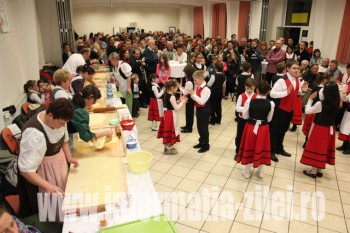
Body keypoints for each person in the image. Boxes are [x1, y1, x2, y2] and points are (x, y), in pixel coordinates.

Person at [18, 99, 78, 219]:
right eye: (62, 123)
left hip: (58, 163)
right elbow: (26, 170)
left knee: (64, 195)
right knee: (52, 204)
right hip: (43, 172)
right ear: (50, 115)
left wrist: (69, 157)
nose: (63, 125)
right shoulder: (34, 133)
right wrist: (48, 186)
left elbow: (64, 140)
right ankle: (56, 225)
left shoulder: (59, 120)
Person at [270, 60, 308, 162]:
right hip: (281, 109)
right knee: (276, 131)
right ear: (287, 68)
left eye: (297, 68)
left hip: (290, 109)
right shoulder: (281, 80)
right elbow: (272, 94)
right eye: (294, 68)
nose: (296, 70)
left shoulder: (297, 80)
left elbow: (296, 92)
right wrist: (285, 93)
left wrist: (302, 91)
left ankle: (279, 148)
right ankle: (270, 150)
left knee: (284, 130)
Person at [300, 82, 340, 178]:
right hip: (330, 128)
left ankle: (313, 171)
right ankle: (319, 169)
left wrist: (310, 99)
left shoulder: (320, 104)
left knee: (316, 147)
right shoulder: (337, 101)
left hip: (319, 128)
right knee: (324, 147)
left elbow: (308, 111)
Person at [237, 81, 275, 179]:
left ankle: (246, 171)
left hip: (251, 126)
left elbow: (245, 116)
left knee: (250, 146)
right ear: (268, 92)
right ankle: (260, 171)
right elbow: (269, 119)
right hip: (263, 128)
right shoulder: (271, 103)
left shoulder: (250, 101)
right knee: (261, 147)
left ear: (257, 89)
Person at [157, 80, 187, 155]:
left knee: (168, 130)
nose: (177, 88)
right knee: (171, 130)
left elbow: (172, 104)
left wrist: (180, 100)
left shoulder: (166, 94)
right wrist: (182, 102)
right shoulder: (172, 96)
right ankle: (168, 148)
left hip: (167, 114)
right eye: (176, 87)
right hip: (171, 115)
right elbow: (176, 108)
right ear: (172, 88)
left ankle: (168, 146)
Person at [302, 73, 330, 148]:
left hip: (312, 108)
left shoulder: (316, 86)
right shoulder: (321, 89)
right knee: (312, 128)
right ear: (324, 80)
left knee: (310, 128)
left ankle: (306, 142)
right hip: (316, 111)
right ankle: (308, 142)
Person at [187, 70, 211, 153]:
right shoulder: (198, 86)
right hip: (199, 109)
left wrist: (193, 94)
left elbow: (202, 101)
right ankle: (201, 141)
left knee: (204, 128)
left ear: (201, 79)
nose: (194, 81)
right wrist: (192, 94)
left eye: (195, 80)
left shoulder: (206, 89)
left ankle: (206, 145)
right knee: (199, 127)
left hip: (204, 110)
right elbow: (195, 98)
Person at [235, 78, 257, 160]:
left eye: (251, 88)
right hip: (242, 119)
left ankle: (248, 151)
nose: (249, 90)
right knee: (239, 136)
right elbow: (237, 108)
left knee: (250, 137)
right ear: (245, 87)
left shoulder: (256, 96)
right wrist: (246, 108)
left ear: (255, 87)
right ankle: (238, 151)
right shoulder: (241, 96)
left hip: (252, 121)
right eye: (247, 88)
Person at [180, 53, 196, 133]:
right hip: (190, 98)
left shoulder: (189, 82)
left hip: (189, 99)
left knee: (189, 113)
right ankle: (187, 125)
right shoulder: (191, 79)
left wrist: (179, 86)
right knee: (188, 113)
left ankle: (189, 128)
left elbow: (185, 92)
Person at [337, 82, 350, 154]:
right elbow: (345, 99)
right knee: (345, 128)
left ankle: (349, 147)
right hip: (348, 110)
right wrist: (343, 93)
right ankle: (345, 145)